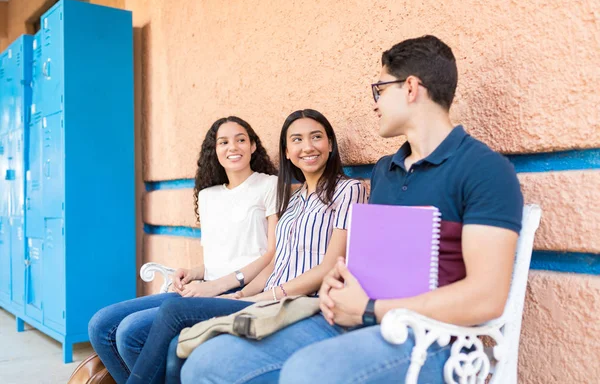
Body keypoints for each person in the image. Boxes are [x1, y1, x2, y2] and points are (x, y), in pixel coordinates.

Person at [180, 35, 524, 384]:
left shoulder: (484, 169)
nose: (374, 104)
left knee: (306, 373)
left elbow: (486, 297)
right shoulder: (386, 170)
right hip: (358, 318)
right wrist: (337, 282)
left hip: (429, 338)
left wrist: (372, 309)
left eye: (380, 90)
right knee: (207, 363)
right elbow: (370, 260)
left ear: (410, 88)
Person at [125, 109, 367, 384]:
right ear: (287, 152)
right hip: (264, 296)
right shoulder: (295, 199)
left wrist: (262, 297)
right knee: (173, 348)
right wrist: (240, 296)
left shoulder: (349, 190)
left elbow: (329, 266)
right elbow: (277, 260)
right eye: (297, 140)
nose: (308, 147)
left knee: (173, 312)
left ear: (331, 144)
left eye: (316, 137)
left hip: (296, 303)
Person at [88, 116, 278, 383]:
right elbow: (220, 254)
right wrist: (193, 272)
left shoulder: (268, 185)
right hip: (204, 286)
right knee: (101, 325)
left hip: (241, 290)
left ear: (253, 146)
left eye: (241, 140)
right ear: (215, 150)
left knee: (130, 333)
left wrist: (217, 287)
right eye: (223, 142)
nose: (232, 147)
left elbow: (272, 253)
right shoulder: (208, 195)